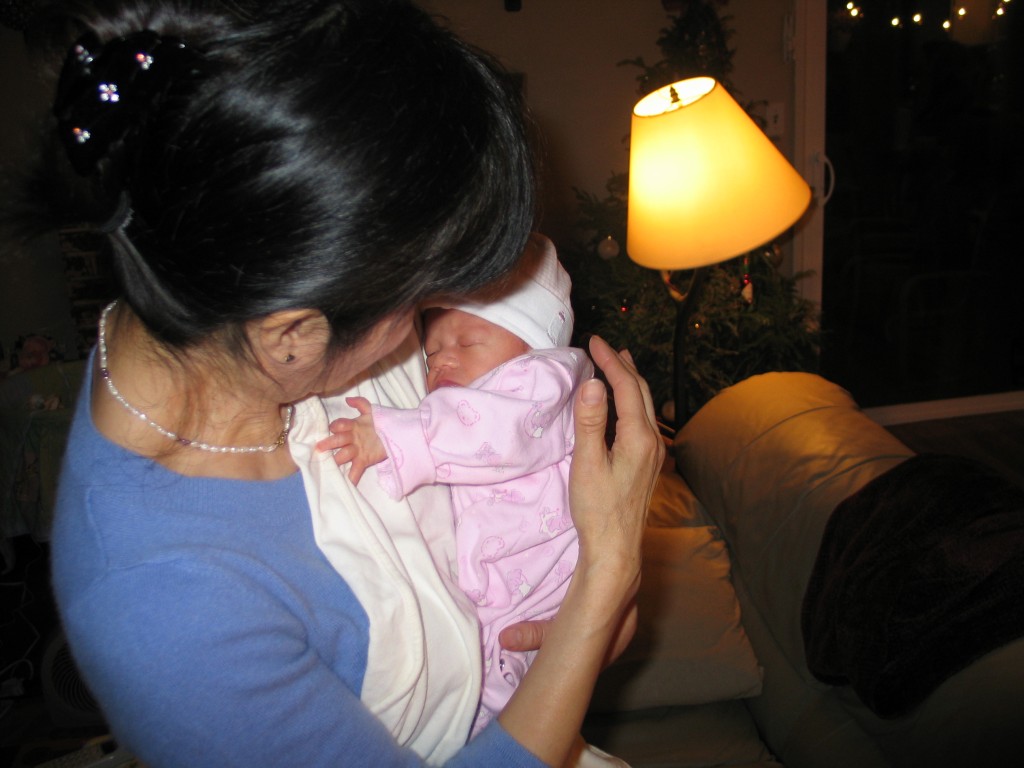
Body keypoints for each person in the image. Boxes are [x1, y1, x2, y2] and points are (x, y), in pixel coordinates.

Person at [25, 2, 664, 767]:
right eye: (421, 303)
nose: (433, 326)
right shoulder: (166, 609)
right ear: (292, 335)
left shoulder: (234, 289)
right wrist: (606, 578)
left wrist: (583, 614)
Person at [319, 234, 594, 739]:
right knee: (480, 694)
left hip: (535, 583)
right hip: (501, 589)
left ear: (533, 344)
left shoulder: (542, 381)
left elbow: (490, 431)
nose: (443, 361)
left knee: (491, 693)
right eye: (432, 354)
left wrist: (395, 435)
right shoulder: (480, 386)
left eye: (467, 344)